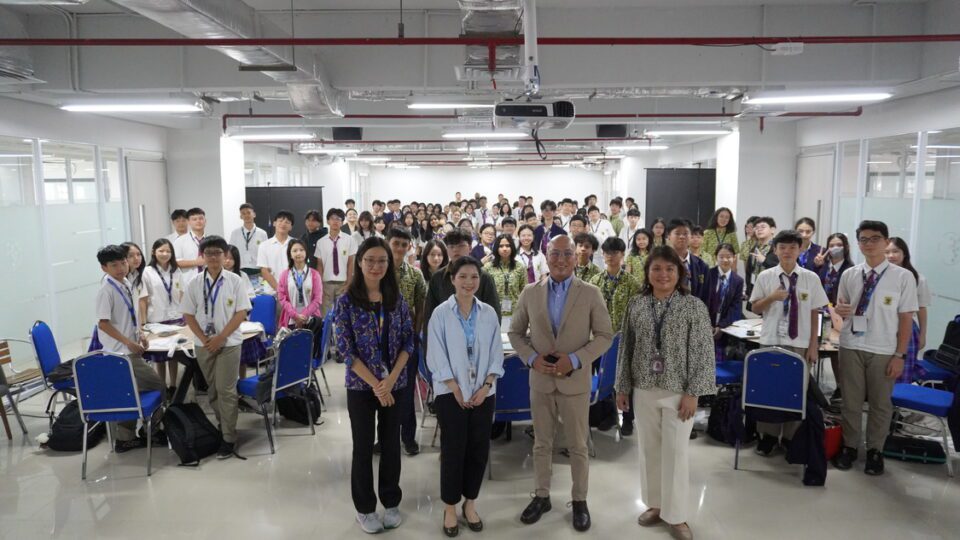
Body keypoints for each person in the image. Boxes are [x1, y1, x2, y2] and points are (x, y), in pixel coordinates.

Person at [508, 235, 613, 532]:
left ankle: (579, 500)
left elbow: (605, 335)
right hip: (540, 380)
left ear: (576, 257)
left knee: (578, 445)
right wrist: (531, 358)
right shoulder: (530, 291)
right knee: (542, 443)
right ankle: (542, 496)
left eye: (568, 254)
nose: (562, 259)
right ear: (546, 254)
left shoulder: (590, 293)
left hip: (575, 381)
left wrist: (577, 359)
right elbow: (516, 333)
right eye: (556, 253)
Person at [614, 246, 715, 540]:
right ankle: (656, 505)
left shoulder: (693, 306)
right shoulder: (636, 304)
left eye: (670, 269)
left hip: (678, 390)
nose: (663, 274)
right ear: (647, 272)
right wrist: (622, 386)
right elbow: (626, 347)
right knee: (649, 450)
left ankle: (677, 515)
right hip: (644, 387)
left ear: (679, 273)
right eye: (657, 268)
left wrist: (693, 392)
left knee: (676, 453)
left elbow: (702, 352)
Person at [334, 237, 415, 534]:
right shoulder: (345, 301)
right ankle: (365, 508)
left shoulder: (396, 299)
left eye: (382, 260)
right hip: (360, 386)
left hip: (397, 383)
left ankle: (391, 502)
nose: (376, 266)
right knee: (363, 446)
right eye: (370, 260)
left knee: (391, 444)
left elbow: (409, 339)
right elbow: (345, 349)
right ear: (359, 262)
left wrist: (391, 379)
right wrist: (376, 385)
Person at [426, 256, 504, 537]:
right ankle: (450, 506)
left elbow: (496, 352)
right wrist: (455, 387)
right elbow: (435, 353)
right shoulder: (440, 314)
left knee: (478, 449)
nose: (469, 282)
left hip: (484, 393)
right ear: (452, 279)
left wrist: (486, 385)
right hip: (451, 394)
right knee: (453, 450)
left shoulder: (489, 314)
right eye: (463, 277)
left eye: (474, 277)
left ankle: (470, 503)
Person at [832, 220, 917, 476]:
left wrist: (899, 355)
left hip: (883, 349)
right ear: (858, 243)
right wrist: (839, 310)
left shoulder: (902, 277)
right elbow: (840, 308)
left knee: (881, 404)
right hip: (851, 344)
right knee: (851, 402)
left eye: (875, 238)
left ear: (886, 241)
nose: (869, 244)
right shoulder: (849, 274)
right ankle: (849, 447)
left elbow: (905, 319)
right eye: (864, 239)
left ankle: (875, 451)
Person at [749, 230, 829, 456]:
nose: (787, 252)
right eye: (782, 247)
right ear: (775, 250)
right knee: (770, 389)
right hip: (771, 340)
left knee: (796, 391)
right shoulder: (766, 276)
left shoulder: (810, 278)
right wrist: (771, 298)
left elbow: (815, 313)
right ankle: (769, 436)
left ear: (800, 250)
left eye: (792, 247)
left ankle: (792, 437)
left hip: (799, 342)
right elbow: (755, 308)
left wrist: (814, 345)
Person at [180, 236, 252, 459]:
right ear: (202, 256)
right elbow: (188, 315)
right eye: (208, 253)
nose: (213, 257)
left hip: (229, 343)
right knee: (212, 390)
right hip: (204, 345)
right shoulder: (194, 283)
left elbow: (241, 312)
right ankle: (224, 426)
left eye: (217, 253)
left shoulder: (235, 281)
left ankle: (229, 437)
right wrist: (204, 338)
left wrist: (221, 337)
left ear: (225, 256)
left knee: (226, 390)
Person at [95, 245, 165, 453]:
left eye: (123, 262)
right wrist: (128, 342)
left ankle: (126, 438)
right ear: (103, 268)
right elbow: (103, 324)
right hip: (121, 353)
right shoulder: (106, 290)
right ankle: (151, 431)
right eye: (114, 265)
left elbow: (128, 317)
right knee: (158, 386)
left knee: (130, 390)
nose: (121, 268)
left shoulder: (125, 282)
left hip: (129, 348)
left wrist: (140, 334)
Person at [588, 237, 642, 436]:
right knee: (602, 379)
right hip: (598, 339)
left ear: (622, 255)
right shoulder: (595, 282)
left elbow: (637, 312)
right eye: (607, 253)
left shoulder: (632, 282)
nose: (611, 257)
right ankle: (608, 415)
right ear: (602, 255)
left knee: (625, 380)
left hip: (623, 340)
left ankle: (628, 418)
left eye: (615, 253)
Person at [388, 227, 427, 457]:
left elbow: (421, 305)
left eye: (405, 244)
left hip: (407, 341)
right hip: (382, 342)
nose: (401, 248)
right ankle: (385, 438)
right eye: (397, 243)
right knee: (384, 388)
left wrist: (416, 331)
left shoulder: (415, 274)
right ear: (388, 242)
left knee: (406, 389)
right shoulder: (378, 271)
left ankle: (408, 437)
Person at [423, 229, 501, 337]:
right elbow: (429, 317)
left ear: (469, 248)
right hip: (445, 339)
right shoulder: (438, 278)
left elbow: (494, 315)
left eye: (460, 246)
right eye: (451, 246)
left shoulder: (484, 278)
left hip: (478, 339)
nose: (455, 250)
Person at [139, 238, 187, 396]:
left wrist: (186, 314)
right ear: (153, 252)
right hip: (157, 319)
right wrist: (143, 323)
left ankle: (173, 385)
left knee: (173, 354)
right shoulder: (147, 272)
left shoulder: (176, 270)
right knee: (160, 358)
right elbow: (143, 299)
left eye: (168, 251)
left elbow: (181, 293)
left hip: (176, 317)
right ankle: (162, 387)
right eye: (161, 251)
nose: (165, 254)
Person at [813, 232, 854, 401]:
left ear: (846, 247)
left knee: (837, 352)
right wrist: (817, 267)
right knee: (824, 348)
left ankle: (842, 388)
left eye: (839, 245)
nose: (835, 248)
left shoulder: (850, 270)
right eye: (831, 245)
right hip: (822, 313)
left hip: (841, 317)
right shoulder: (823, 266)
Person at [885, 237, 930, 383]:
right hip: (884, 327)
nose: (891, 256)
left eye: (895, 251)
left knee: (902, 370)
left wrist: (922, 335)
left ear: (904, 254)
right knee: (882, 369)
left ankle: (896, 403)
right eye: (887, 252)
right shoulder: (881, 277)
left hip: (908, 330)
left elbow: (921, 308)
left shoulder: (918, 278)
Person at [277, 239, 324, 356]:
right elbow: (282, 298)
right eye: (295, 251)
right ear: (290, 254)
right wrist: (295, 315)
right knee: (292, 354)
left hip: (311, 320)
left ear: (306, 253)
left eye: (301, 250)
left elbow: (318, 299)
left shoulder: (314, 274)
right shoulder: (284, 275)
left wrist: (303, 315)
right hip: (290, 319)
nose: (298, 253)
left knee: (307, 354)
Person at [704, 243, 744, 360]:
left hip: (725, 327)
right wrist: (707, 324)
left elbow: (735, 307)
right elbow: (701, 300)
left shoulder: (738, 281)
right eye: (721, 256)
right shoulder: (708, 275)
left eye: (729, 256)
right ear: (715, 257)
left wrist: (721, 327)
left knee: (720, 361)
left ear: (734, 257)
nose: (725, 260)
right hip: (706, 323)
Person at [316, 208, 358, 315]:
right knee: (326, 316)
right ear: (328, 221)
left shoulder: (350, 240)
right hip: (326, 284)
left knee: (343, 314)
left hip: (343, 283)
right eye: (332, 218)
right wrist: (320, 285)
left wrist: (349, 283)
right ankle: (328, 333)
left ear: (342, 221)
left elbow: (350, 264)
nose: (335, 221)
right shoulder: (321, 242)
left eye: (338, 219)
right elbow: (319, 266)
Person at [484, 234, 527, 324]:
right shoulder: (488, 268)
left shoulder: (520, 267)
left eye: (508, 246)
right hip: (493, 312)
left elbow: (524, 291)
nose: (504, 249)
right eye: (501, 246)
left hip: (516, 313)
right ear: (496, 248)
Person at [665, 219, 709, 302]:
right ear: (669, 236)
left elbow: (706, 298)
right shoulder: (658, 264)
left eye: (685, 233)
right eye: (677, 233)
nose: (682, 237)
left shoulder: (702, 266)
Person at [257, 210, 295, 294]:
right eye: (280, 221)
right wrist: (279, 290)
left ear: (291, 227)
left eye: (287, 222)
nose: (283, 224)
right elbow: (264, 270)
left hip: (293, 290)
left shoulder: (296, 244)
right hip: (272, 291)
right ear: (274, 223)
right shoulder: (264, 245)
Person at [228, 203, 268, 279]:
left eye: (249, 213)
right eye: (243, 213)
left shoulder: (262, 233)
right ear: (240, 216)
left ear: (254, 214)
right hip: (239, 271)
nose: (246, 215)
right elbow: (231, 252)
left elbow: (266, 253)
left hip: (257, 272)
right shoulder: (235, 233)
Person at [173, 207, 208, 273]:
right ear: (188, 222)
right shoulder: (180, 241)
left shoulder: (211, 241)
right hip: (188, 281)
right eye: (194, 219)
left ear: (205, 221)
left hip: (208, 280)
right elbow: (175, 262)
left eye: (201, 218)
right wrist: (196, 262)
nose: (198, 221)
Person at [121, 242, 146, 312]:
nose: (136, 258)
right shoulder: (118, 278)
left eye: (138, 254)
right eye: (131, 256)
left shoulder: (138, 274)